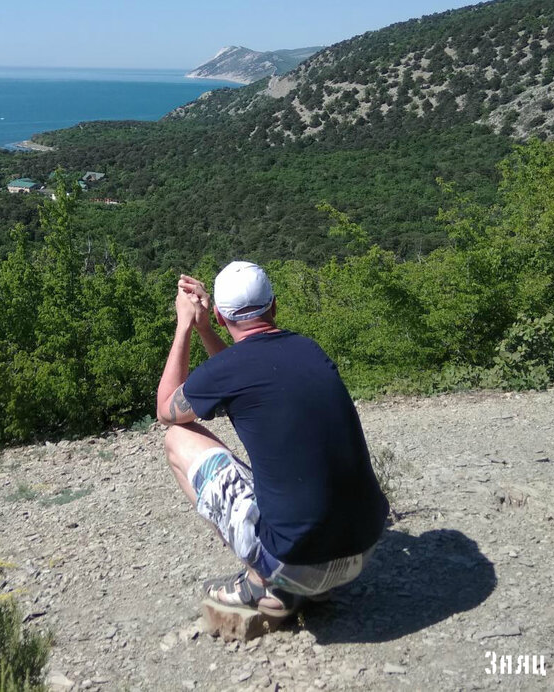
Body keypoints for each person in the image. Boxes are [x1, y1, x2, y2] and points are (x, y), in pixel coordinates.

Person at [156, 260, 389, 617]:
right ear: (274, 306)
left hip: (297, 563)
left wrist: (185, 325)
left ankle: (260, 582)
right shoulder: (309, 349)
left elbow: (166, 409)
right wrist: (206, 329)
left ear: (220, 316)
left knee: (177, 437)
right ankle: (305, 585)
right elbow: (239, 371)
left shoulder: (231, 369)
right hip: (363, 550)